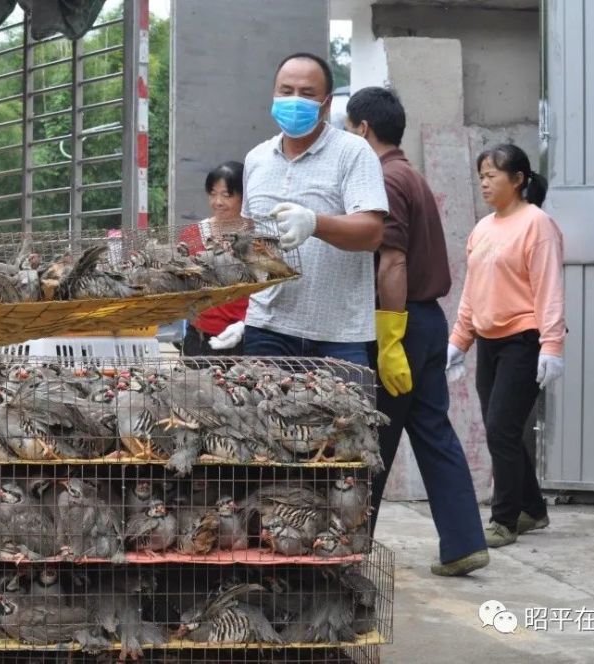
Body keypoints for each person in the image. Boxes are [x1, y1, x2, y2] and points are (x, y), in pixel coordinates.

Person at [345, 87, 488, 576]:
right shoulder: (413, 175)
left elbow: (393, 260)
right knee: (432, 431)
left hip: (399, 321)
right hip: (427, 321)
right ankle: (465, 542)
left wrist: (388, 335)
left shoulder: (384, 179)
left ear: (363, 129)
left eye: (348, 129)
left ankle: (350, 550)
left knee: (374, 440)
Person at [447, 143, 564, 549]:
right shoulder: (483, 228)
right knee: (504, 431)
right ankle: (533, 509)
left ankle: (504, 519)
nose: (484, 182)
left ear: (517, 180)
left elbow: (549, 288)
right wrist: (458, 341)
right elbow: (472, 290)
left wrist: (551, 345)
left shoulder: (537, 224)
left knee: (500, 429)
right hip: (490, 342)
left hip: (524, 339)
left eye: (492, 175)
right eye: (481, 175)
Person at [241, 52, 388, 364]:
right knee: (266, 414)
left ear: (327, 102)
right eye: (286, 91)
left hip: (337, 336)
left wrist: (314, 223)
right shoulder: (256, 159)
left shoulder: (353, 153)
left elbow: (372, 233)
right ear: (273, 94)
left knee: (344, 415)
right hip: (266, 328)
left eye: (307, 93)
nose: (295, 100)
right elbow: (247, 239)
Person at [177, 161, 249, 355]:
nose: (218, 202)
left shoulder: (255, 236)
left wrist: (245, 325)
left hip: (242, 337)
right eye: (213, 194)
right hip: (199, 338)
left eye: (227, 195)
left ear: (244, 196)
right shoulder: (192, 235)